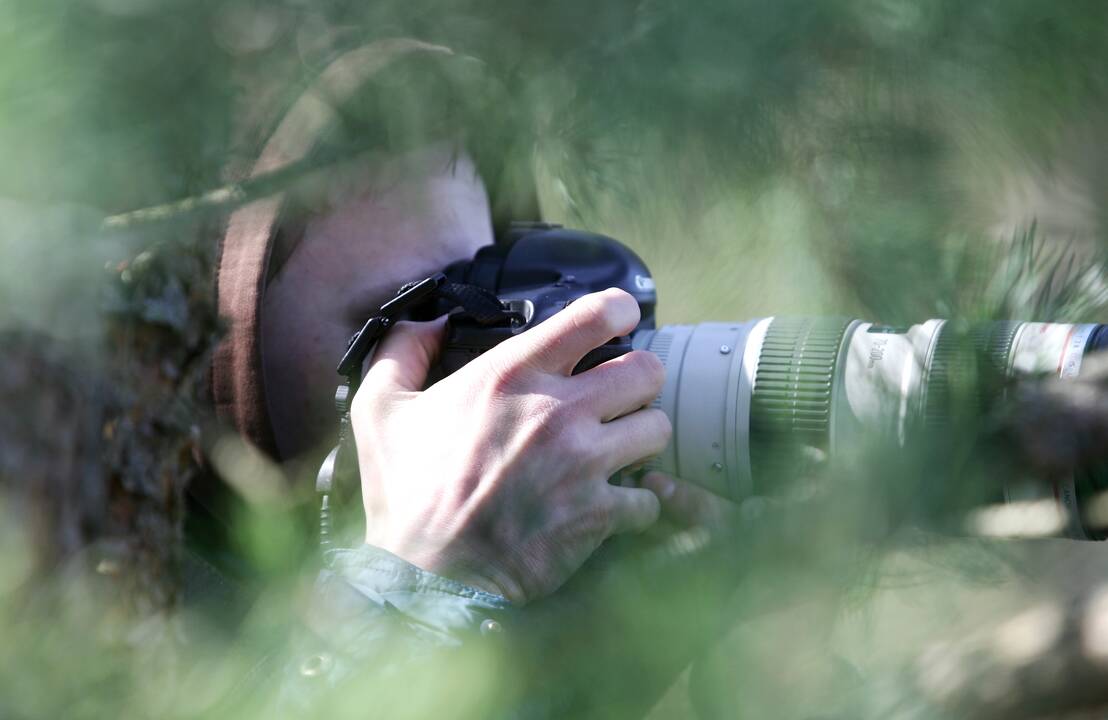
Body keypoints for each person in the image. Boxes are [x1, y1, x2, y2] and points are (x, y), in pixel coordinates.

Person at [208, 38, 734, 718]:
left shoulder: (533, 576)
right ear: (218, 355)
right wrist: (422, 577)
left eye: (490, 302)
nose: (490, 379)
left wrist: (632, 632)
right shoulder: (63, 614)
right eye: (412, 316)